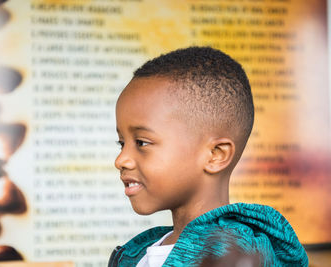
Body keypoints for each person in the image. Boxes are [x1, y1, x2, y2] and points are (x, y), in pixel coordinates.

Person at [108, 46, 308, 267]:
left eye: (142, 143)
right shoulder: (140, 251)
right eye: (122, 143)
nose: (121, 160)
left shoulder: (236, 258)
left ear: (216, 155)